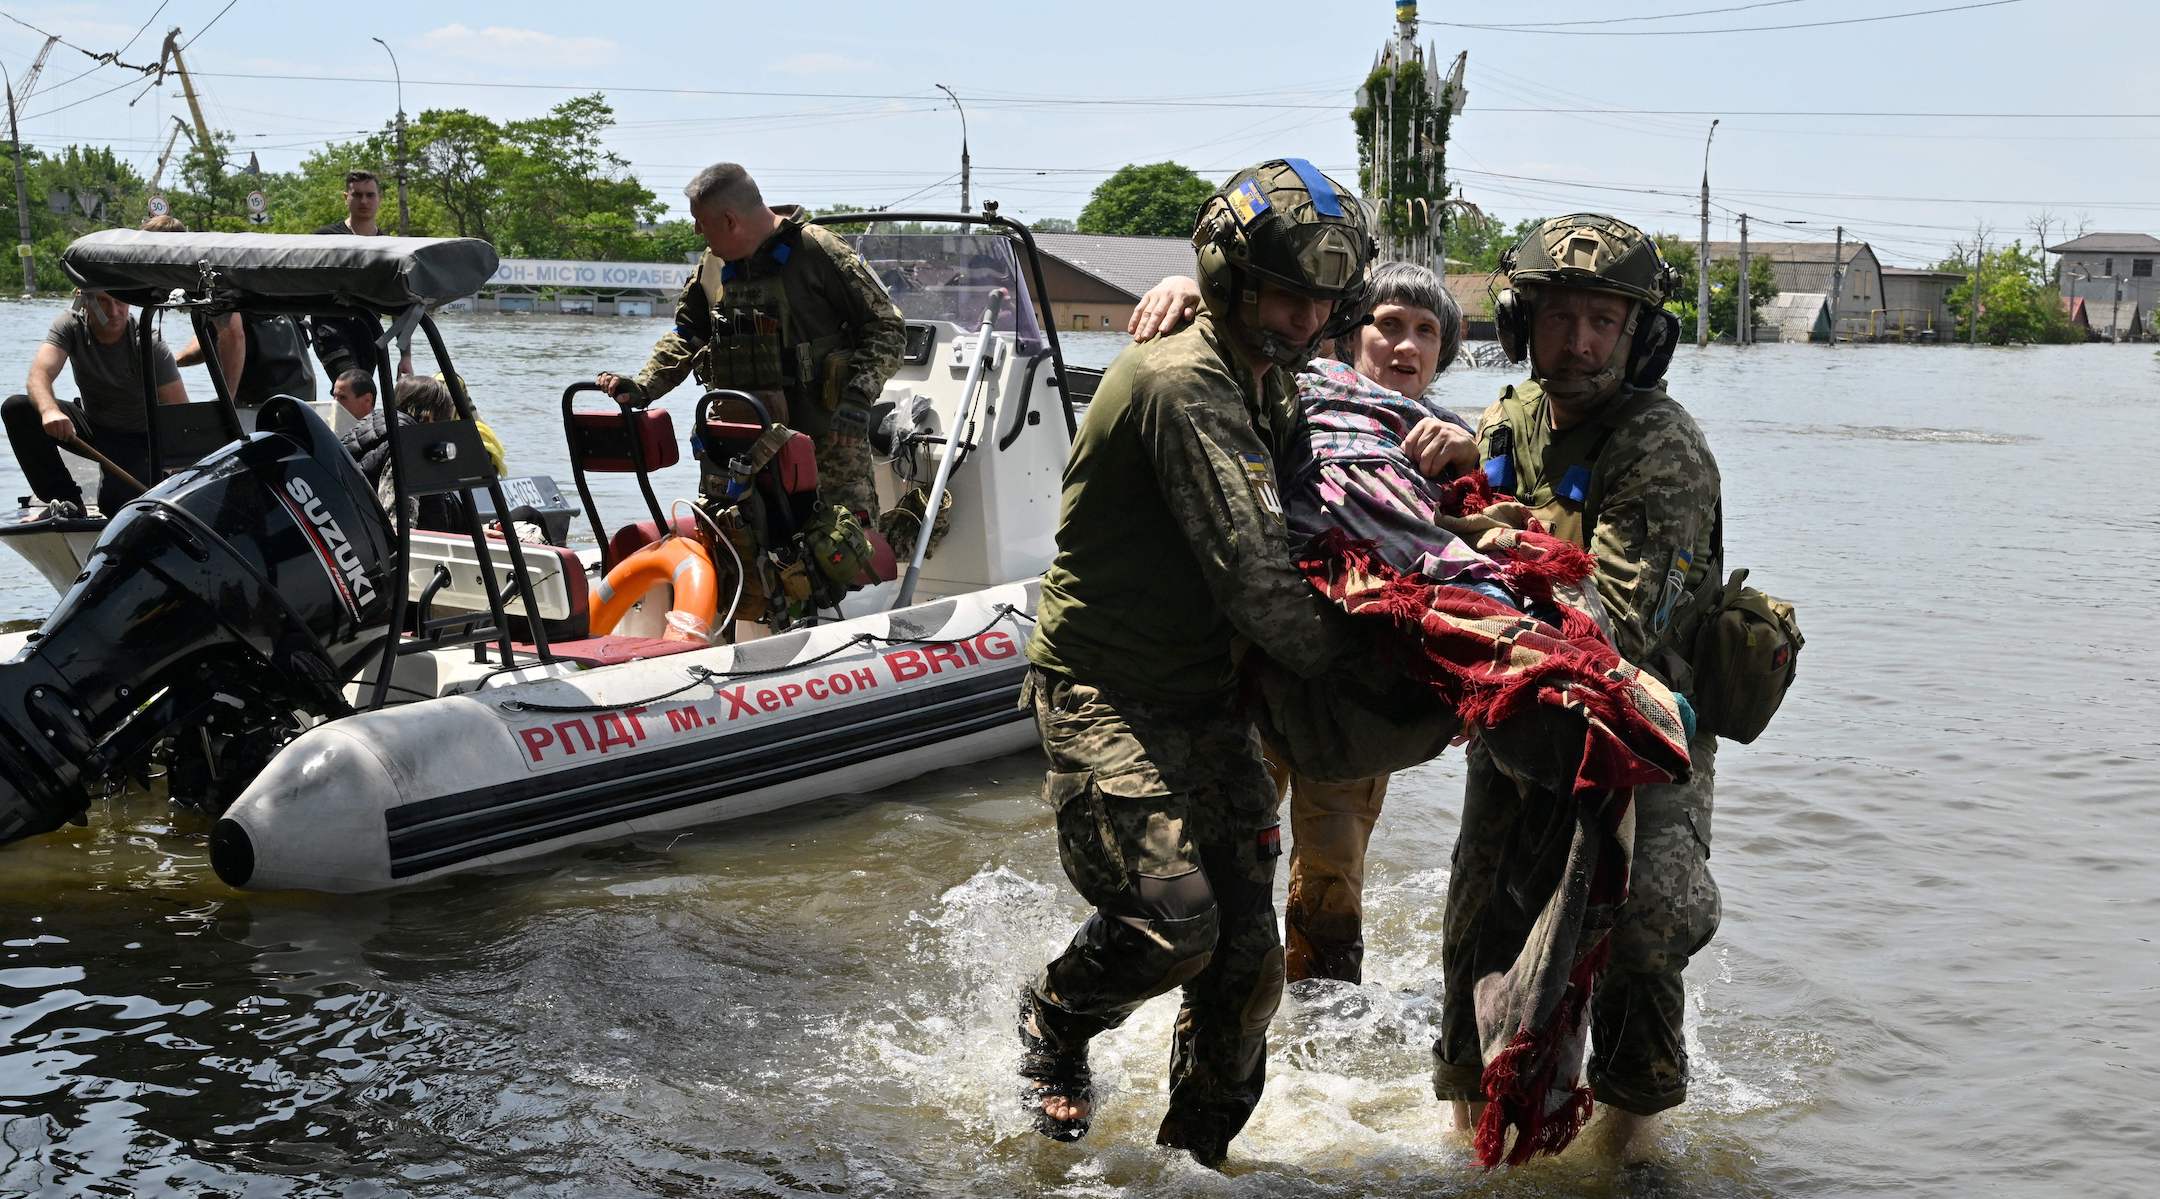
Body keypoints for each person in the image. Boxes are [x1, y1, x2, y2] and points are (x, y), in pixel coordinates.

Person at [1016, 158, 1375, 1169]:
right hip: (1107, 688)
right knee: (1176, 921)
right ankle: (1055, 1014)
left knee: (1249, 962)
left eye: (1322, 301)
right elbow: (1261, 583)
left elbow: (1322, 509)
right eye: (1286, 294)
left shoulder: (1270, 382)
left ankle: (1191, 1162)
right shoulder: (1186, 384)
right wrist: (1388, 682)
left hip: (1207, 696)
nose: (1306, 320)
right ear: (1230, 280)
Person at [1435, 213, 1721, 1165]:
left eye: (1607, 319)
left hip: (1642, 733)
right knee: (1478, 922)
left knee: (1644, 933)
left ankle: (1632, 1150)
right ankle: (1474, 1131)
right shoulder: (1508, 419)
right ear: (1523, 325)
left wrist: (1505, 539)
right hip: (1524, 722)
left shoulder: (1662, 447)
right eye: (1562, 317)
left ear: (1642, 337)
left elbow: (1626, 627)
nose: (1584, 341)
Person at [1126, 260, 1473, 985]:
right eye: (1388, 325)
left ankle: (1322, 1031)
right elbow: (1216, 369)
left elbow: (1495, 545)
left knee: (1334, 873)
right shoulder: (1287, 394)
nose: (1405, 346)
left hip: (1356, 696)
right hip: (1250, 670)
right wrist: (1192, 291)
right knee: (1215, 846)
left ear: (1444, 351)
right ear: (1348, 333)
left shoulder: (1448, 437)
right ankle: (1195, 993)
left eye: (1426, 330)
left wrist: (1473, 461)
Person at [594, 162, 905, 528]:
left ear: (729, 220)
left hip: (826, 445)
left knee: (837, 553)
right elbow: (687, 336)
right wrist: (644, 386)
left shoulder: (818, 252)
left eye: (700, 221)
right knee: (733, 547)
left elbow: (887, 327)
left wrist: (857, 396)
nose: (696, 230)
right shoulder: (713, 266)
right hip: (739, 444)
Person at [3, 289, 187, 518]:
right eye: (102, 301)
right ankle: (67, 502)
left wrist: (178, 471)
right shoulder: (70, 326)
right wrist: (49, 410)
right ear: (86, 301)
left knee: (114, 506)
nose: (113, 311)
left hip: (138, 438)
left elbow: (179, 411)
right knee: (17, 408)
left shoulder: (149, 342)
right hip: (94, 425)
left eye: (120, 301)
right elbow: (38, 375)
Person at [150, 214, 318, 406]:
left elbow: (232, 334)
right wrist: (171, 362)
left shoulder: (206, 276)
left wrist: (227, 400)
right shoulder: (193, 270)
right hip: (291, 375)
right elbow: (213, 333)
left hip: (277, 379)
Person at [309, 169, 413, 381]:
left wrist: (406, 356)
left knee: (365, 397)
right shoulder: (324, 239)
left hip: (370, 333)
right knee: (352, 387)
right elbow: (300, 284)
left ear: (379, 199)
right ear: (345, 197)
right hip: (330, 331)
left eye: (370, 195)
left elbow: (399, 304)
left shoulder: (390, 247)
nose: (363, 201)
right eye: (357, 195)